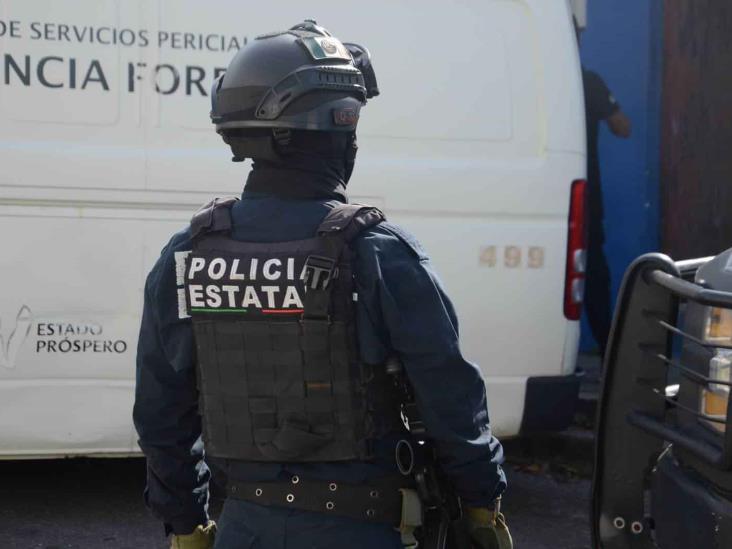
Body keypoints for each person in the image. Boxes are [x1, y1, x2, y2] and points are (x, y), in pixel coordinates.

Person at [133, 20, 510, 549]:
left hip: (243, 530)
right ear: (340, 133)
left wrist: (187, 526)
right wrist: (480, 505)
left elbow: (160, 414)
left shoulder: (189, 253)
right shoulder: (378, 252)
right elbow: (452, 402)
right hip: (366, 530)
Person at [582, 67, 632, 356]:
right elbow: (623, 127)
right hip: (584, 197)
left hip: (535, 193)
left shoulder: (531, 77)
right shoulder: (588, 81)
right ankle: (609, 354)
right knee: (593, 277)